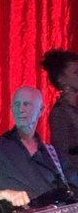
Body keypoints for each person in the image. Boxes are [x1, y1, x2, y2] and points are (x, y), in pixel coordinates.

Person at [41, 49, 78, 182]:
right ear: (62, 79)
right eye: (75, 73)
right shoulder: (60, 113)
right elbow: (61, 155)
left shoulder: (73, 109)